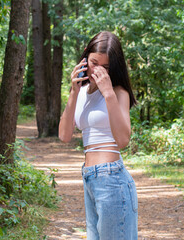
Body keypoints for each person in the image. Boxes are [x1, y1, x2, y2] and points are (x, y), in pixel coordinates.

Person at [58, 31, 138, 240]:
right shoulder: (82, 92)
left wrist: (108, 93)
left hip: (112, 179)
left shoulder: (118, 92)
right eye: (94, 62)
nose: (97, 70)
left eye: (106, 67)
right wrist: (73, 92)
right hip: (89, 178)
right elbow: (64, 135)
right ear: (85, 57)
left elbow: (123, 140)